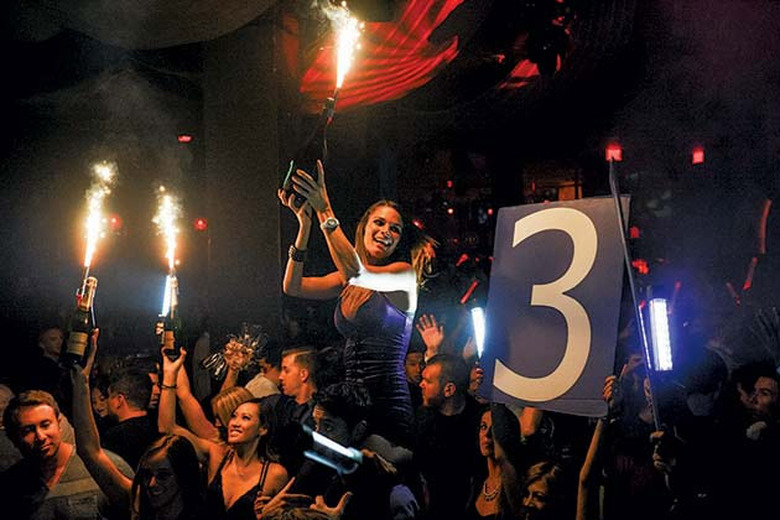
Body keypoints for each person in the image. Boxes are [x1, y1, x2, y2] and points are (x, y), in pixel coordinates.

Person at [280, 160, 436, 445]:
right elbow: (292, 286)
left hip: (388, 402)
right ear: (364, 228)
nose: (386, 231)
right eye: (379, 222)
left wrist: (324, 208)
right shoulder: (346, 279)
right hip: (353, 403)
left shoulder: (403, 275)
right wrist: (304, 226)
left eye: (395, 229)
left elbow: (358, 273)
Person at [68, 328, 208, 520]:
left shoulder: (206, 512)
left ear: (184, 476)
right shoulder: (140, 504)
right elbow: (90, 452)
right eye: (146, 475)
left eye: (163, 475)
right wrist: (81, 381)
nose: (152, 484)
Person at [159, 347, 289, 520]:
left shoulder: (275, 475)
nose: (234, 423)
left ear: (263, 428)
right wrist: (169, 375)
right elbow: (168, 427)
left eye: (245, 418)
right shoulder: (218, 455)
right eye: (233, 416)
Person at [0, 388, 134, 519]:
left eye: (45, 425)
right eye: (28, 430)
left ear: (59, 424)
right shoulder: (11, 486)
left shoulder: (105, 467)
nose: (40, 437)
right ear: (14, 438)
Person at [466, 403, 525, 520]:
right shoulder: (477, 482)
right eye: (483, 427)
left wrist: (496, 397)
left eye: (494, 429)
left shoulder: (514, 482)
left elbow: (501, 457)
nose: (487, 435)